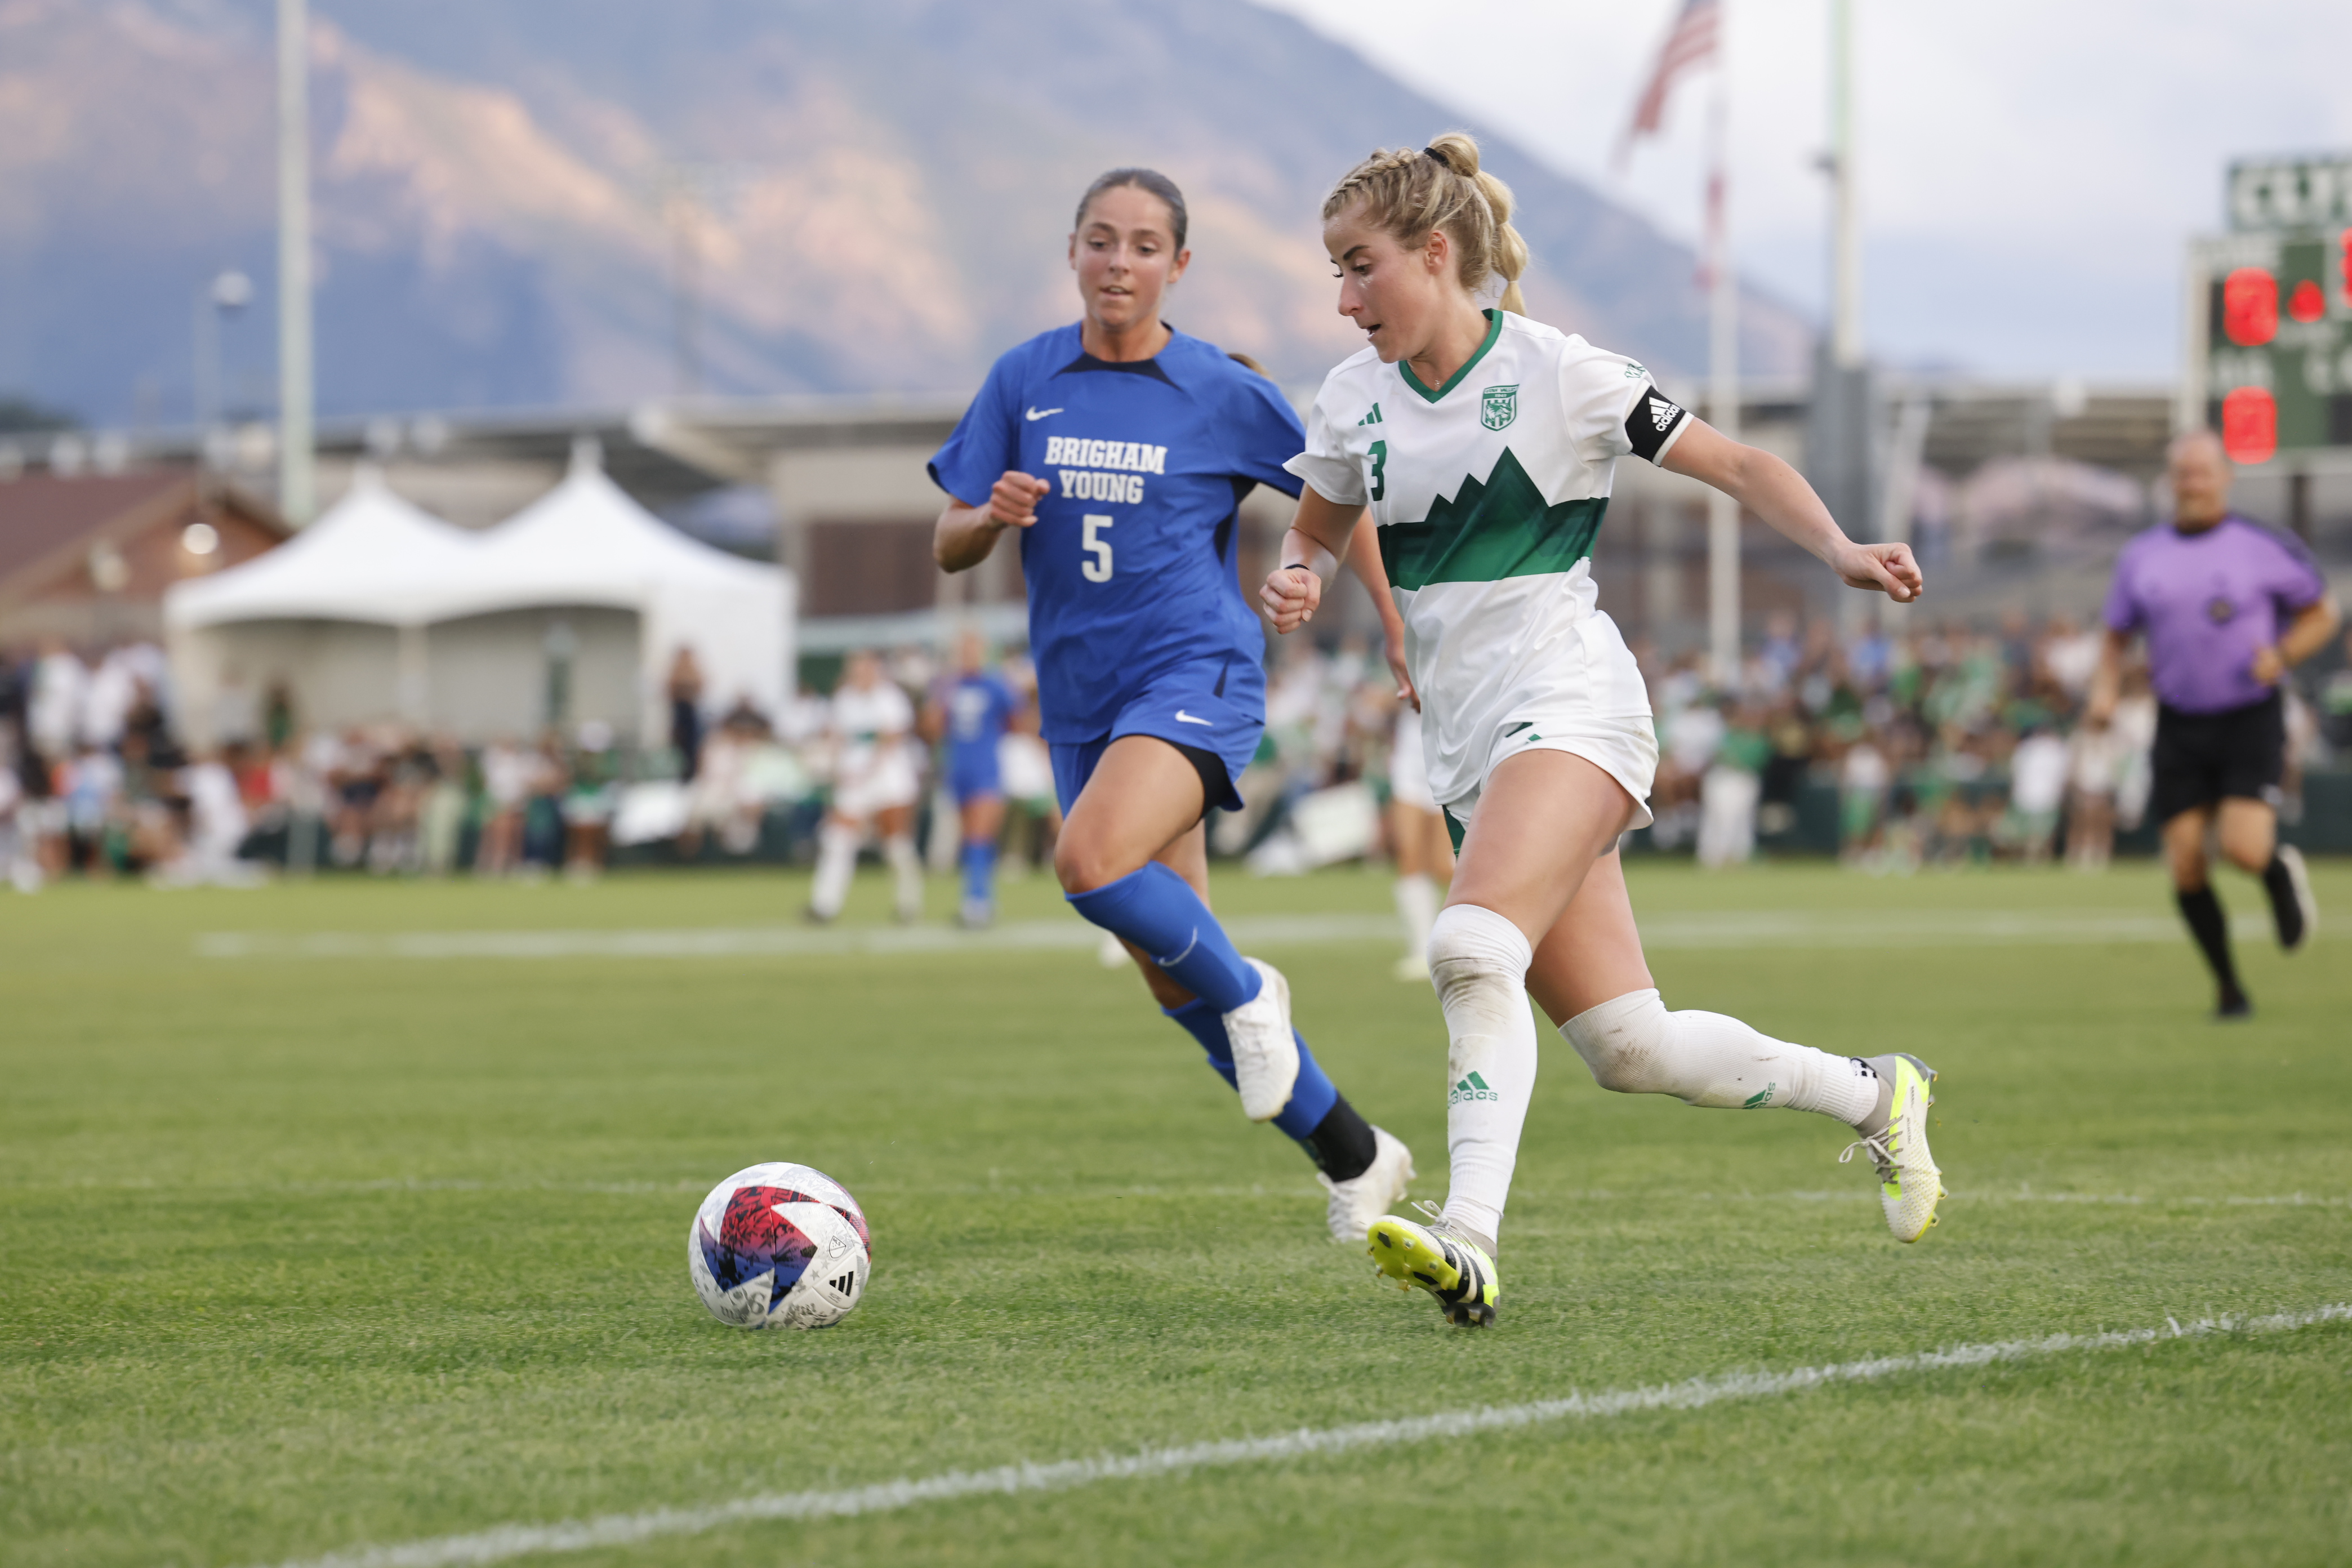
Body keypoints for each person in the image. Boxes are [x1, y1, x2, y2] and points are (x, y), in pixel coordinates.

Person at [1263, 132, 1942, 1326]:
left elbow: (1732, 460)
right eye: (1335, 270)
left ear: (1435, 254)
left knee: (1471, 948)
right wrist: (1298, 573)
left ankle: (1466, 1236)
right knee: (1633, 1049)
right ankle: (1875, 1095)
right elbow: (1317, 520)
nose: (1343, 294)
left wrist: (1837, 545)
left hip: (1573, 702)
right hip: (1472, 743)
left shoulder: (1559, 370)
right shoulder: (1350, 396)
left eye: (1360, 265)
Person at [928, 165, 1414, 1242]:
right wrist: (990, 515)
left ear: (1177, 266)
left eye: (1144, 245)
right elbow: (949, 540)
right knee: (1169, 976)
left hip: (1195, 672)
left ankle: (1254, 990)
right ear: (1073, 252)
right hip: (1080, 704)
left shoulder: (1219, 390)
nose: (1119, 262)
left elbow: (1341, 498)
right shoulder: (1023, 381)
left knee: (1089, 865)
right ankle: (1358, 1153)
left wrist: (1391, 622)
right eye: (1101, 240)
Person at [2087, 429, 2339, 1018]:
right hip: (2178, 720)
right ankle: (2228, 988)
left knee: (2243, 850)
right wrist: (2103, 694)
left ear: (2226, 477)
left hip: (2249, 715)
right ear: (2171, 482)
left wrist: (2282, 655)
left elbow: (2321, 613)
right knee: (2185, 863)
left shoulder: (2261, 544)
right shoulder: (2141, 555)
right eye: (2183, 474)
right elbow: (2116, 636)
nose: (2193, 484)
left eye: (2203, 472)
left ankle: (2276, 873)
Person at [808, 650, 924, 924]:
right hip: (854, 781)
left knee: (896, 844)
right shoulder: (844, 699)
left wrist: (865, 771)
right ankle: (825, 904)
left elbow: (890, 740)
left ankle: (909, 902)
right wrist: (836, 769)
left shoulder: (890, 698)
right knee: (838, 840)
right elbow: (836, 738)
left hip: (889, 779)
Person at [928, 628, 1018, 927]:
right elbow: (931, 730)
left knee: (980, 837)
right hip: (957, 770)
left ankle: (977, 904)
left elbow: (1017, 719)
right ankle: (980, 900)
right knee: (970, 841)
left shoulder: (995, 684)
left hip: (986, 769)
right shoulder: (948, 686)